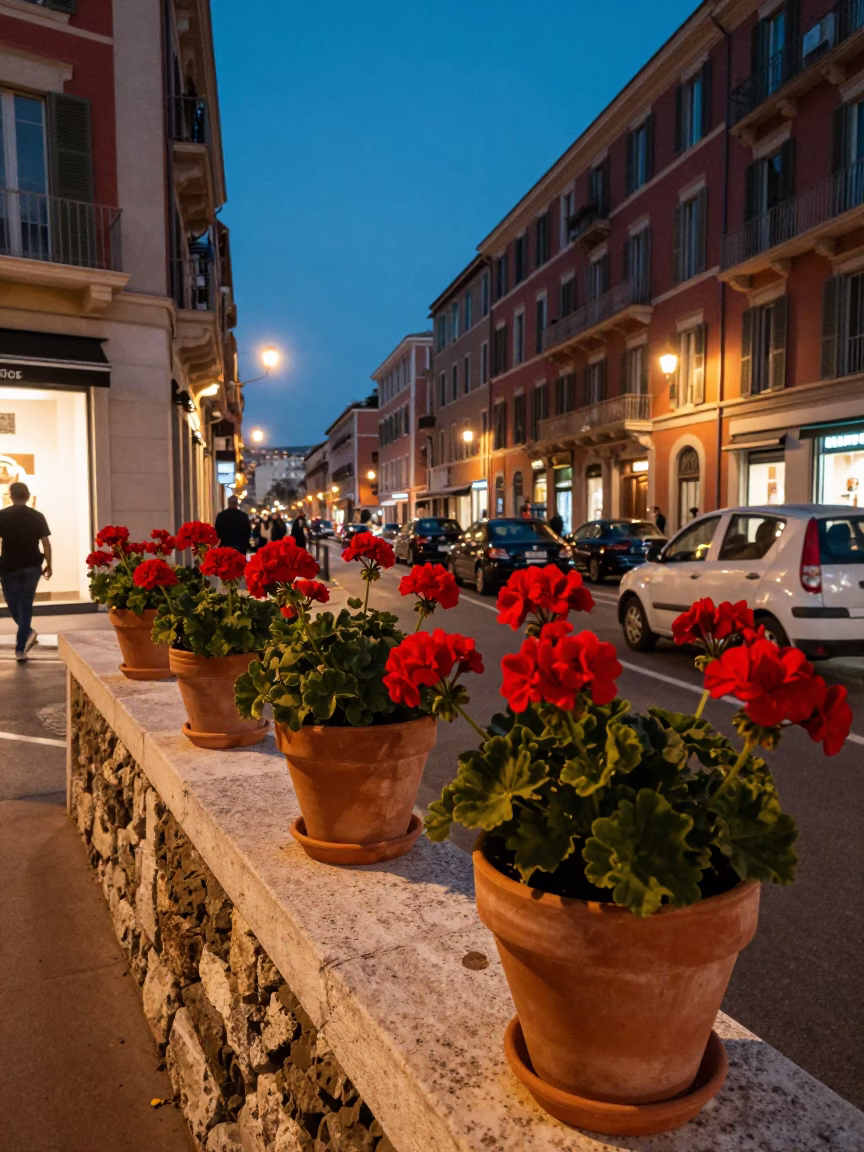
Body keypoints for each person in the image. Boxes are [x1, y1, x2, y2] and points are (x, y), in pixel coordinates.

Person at [0, 482, 51, 662]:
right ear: (27, 496)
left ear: (10, 496)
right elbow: (45, 543)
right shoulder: (37, 516)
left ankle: (22, 643)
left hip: (7, 566)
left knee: (13, 604)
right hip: (31, 566)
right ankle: (25, 639)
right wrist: (49, 565)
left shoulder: (2, 515)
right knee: (25, 604)